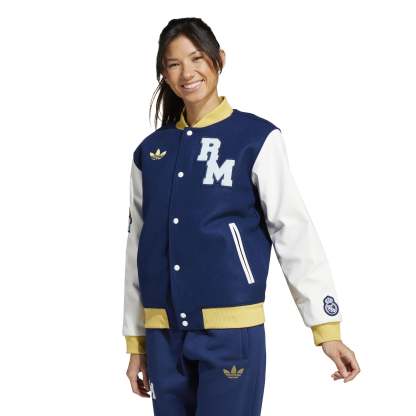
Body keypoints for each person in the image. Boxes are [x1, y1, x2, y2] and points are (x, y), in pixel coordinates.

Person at [122, 17, 360, 416]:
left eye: (197, 58)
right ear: (163, 73)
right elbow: (138, 249)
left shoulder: (255, 138)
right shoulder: (151, 153)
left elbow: (293, 231)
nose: (187, 72)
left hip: (231, 333)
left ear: (219, 59)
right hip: (164, 337)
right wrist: (137, 343)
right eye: (173, 64)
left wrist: (326, 328)